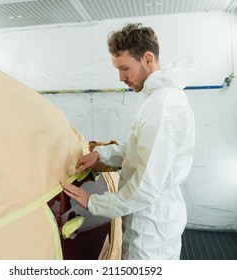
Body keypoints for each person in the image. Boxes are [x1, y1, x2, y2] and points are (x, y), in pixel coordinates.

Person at [60, 23, 196, 260]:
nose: (121, 77)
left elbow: (146, 188)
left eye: (125, 68)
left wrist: (94, 202)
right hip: (146, 222)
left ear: (147, 58)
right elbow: (138, 149)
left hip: (150, 231)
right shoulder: (155, 98)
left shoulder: (163, 106)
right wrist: (100, 155)